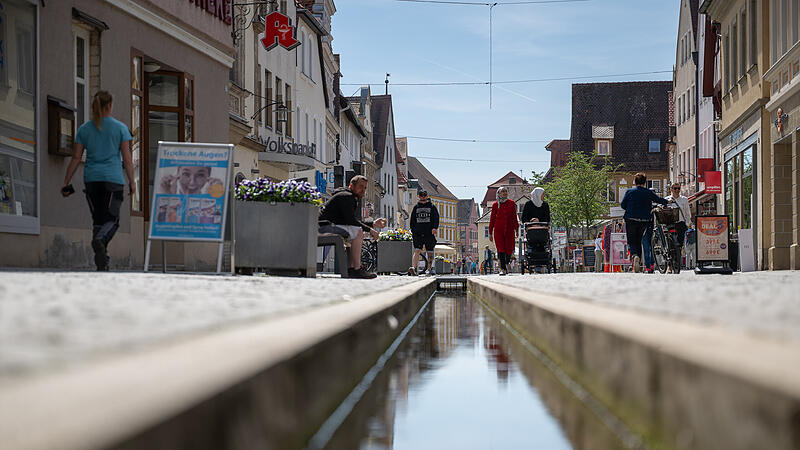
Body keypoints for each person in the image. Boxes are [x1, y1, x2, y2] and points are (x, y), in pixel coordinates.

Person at [61, 91, 135, 271]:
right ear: (109, 105)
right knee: (112, 220)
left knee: (98, 221)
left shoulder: (84, 129)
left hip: (92, 180)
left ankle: (102, 262)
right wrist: (133, 182)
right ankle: (100, 241)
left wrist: (66, 182)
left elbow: (76, 158)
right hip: (113, 180)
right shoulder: (120, 128)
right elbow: (127, 160)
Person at [318, 175, 387, 279]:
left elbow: (349, 221)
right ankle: (356, 269)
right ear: (351, 185)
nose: (363, 190)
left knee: (354, 234)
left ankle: (352, 269)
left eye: (365, 187)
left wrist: (373, 223)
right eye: (360, 186)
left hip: (326, 225)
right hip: (323, 227)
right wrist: (370, 230)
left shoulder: (348, 196)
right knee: (357, 232)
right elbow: (351, 221)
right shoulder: (347, 197)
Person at [620, 173, 668, 273]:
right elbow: (658, 200)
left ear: (635, 182)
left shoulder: (629, 191)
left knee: (632, 241)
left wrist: (630, 207)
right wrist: (668, 201)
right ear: (644, 182)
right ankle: (638, 258)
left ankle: (635, 256)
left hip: (631, 219)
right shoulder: (648, 192)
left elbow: (623, 205)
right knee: (639, 240)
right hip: (644, 220)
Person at [489, 186, 519, 276]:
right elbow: (492, 219)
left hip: (509, 229)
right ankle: (503, 269)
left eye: (506, 191)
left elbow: (514, 217)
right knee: (501, 249)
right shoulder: (495, 205)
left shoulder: (511, 203)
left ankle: (506, 262)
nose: (505, 193)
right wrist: (490, 232)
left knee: (509, 248)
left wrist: (516, 229)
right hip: (498, 230)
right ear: (499, 193)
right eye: (503, 192)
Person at [409, 190, 439, 276]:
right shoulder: (416, 207)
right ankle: (413, 268)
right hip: (418, 233)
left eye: (424, 195)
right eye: (421, 195)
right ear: (418, 196)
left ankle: (429, 269)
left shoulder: (432, 207)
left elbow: (436, 218)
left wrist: (435, 227)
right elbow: (412, 220)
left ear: (427, 196)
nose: (423, 197)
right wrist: (413, 230)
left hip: (429, 233)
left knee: (430, 251)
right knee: (417, 250)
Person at [666, 182, 692, 266]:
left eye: (678, 188)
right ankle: (670, 264)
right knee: (671, 244)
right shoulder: (666, 199)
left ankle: (676, 262)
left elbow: (687, 213)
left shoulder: (684, 199)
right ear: (671, 189)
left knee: (679, 245)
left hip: (681, 224)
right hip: (671, 224)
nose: (677, 190)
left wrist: (687, 224)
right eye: (675, 188)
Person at [159, 166, 223, 195]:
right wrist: (167, 196)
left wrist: (209, 198)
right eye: (186, 174)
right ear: (177, 175)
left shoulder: (210, 194)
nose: (192, 182)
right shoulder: (167, 192)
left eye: (200, 175)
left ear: (208, 177)